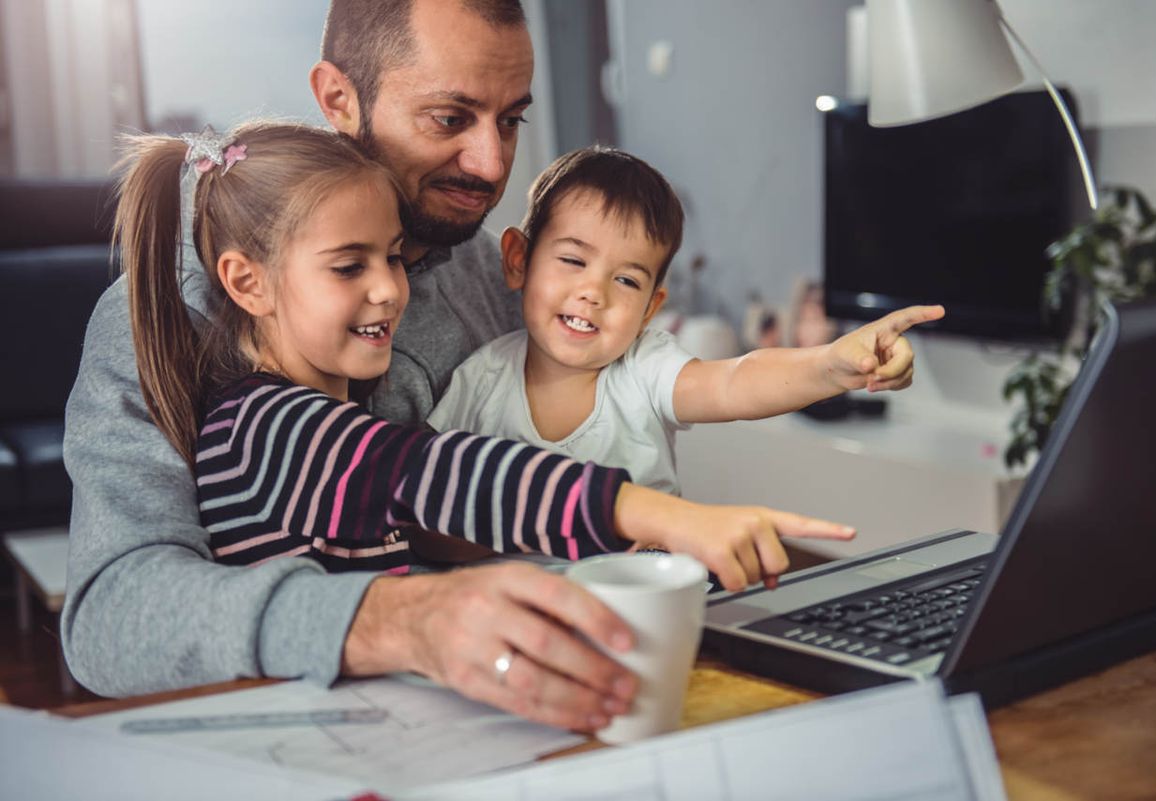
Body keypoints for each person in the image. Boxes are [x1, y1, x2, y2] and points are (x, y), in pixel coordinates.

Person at [61, 0, 854, 731]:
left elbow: (546, 456)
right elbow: (109, 619)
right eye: (450, 117)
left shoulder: (491, 276)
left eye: (511, 120)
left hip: (496, 709)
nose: (489, 163)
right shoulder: (178, 316)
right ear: (338, 97)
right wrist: (403, 619)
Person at [428, 147, 946, 494]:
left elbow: (733, 382)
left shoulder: (644, 367)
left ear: (651, 308)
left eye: (626, 281)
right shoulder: (479, 382)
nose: (593, 293)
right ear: (518, 260)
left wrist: (833, 364)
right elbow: (424, 500)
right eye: (573, 260)